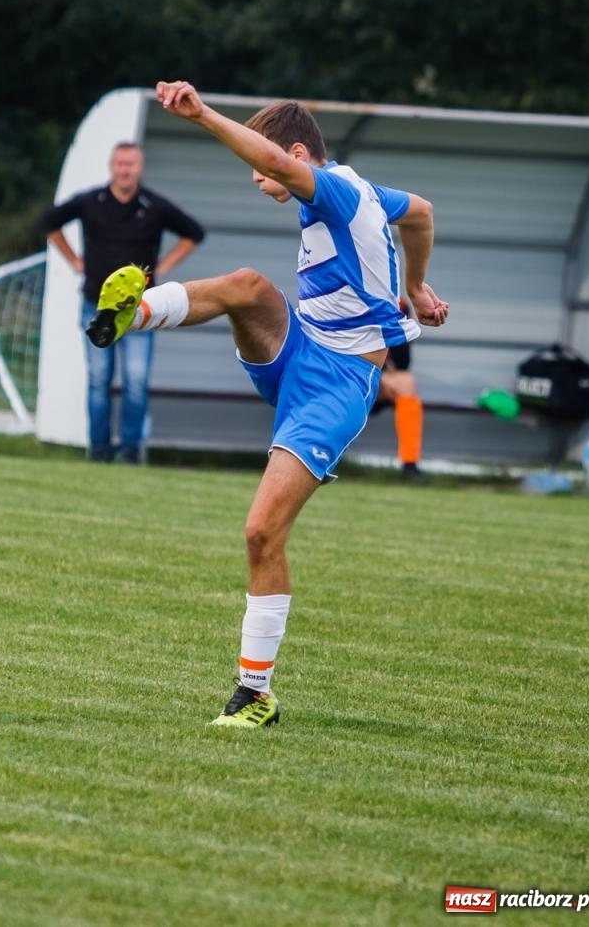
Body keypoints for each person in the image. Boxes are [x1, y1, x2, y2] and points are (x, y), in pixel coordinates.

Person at [87, 81, 448, 728]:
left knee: (261, 531)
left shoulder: (332, 186)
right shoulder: (360, 191)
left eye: (264, 164)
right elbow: (419, 212)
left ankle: (255, 695)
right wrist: (416, 287)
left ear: (300, 154)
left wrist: (200, 115)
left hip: (339, 387)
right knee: (249, 286)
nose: (258, 177)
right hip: (301, 350)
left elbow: (284, 167)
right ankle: (132, 311)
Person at [41, 141, 205, 463]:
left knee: (135, 381)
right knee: (99, 380)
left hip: (140, 310)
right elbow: (50, 222)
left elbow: (194, 232)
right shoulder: (91, 202)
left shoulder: (154, 206)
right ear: (111, 166)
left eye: (130, 164)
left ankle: (129, 450)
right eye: (119, 164)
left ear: (139, 168)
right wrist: (75, 260)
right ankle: (98, 449)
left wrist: (164, 266)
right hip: (96, 306)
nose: (124, 170)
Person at [373, 307, 427, 483]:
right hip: (347, 376)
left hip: (380, 385)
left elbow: (403, 364)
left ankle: (409, 466)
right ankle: (320, 459)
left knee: (406, 382)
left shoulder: (397, 309)